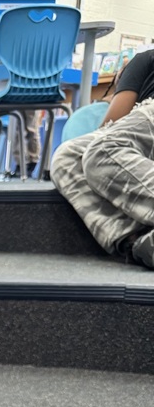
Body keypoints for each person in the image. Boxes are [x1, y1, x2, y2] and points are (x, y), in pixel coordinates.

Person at [51, 47, 154, 268]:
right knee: (67, 157)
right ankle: (138, 241)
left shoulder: (142, 60)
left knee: (101, 150)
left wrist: (119, 88)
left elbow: (111, 124)